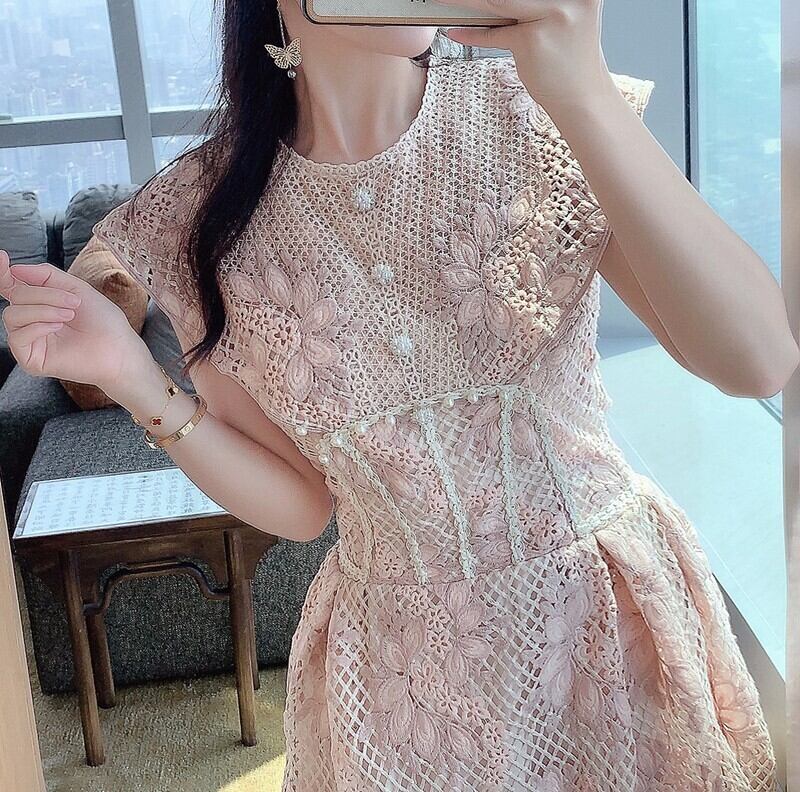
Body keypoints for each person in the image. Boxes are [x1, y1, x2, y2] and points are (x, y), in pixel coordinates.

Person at [0, 0, 792, 788]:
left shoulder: (540, 114)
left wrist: (581, 89)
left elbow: (757, 362)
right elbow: (301, 507)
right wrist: (133, 377)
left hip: (603, 629)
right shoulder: (197, 217)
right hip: (403, 679)